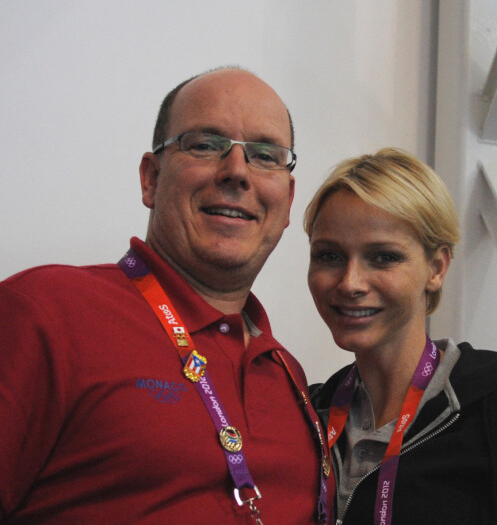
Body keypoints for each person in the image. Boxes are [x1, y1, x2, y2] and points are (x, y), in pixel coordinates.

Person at [0, 67, 332, 524]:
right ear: (151, 179)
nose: (237, 171)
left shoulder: (287, 375)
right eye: (205, 145)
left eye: (265, 155)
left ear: (288, 199)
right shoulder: (46, 311)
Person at [305, 147, 497, 525]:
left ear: (436, 267)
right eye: (330, 256)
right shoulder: (308, 414)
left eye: (383, 257)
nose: (350, 283)